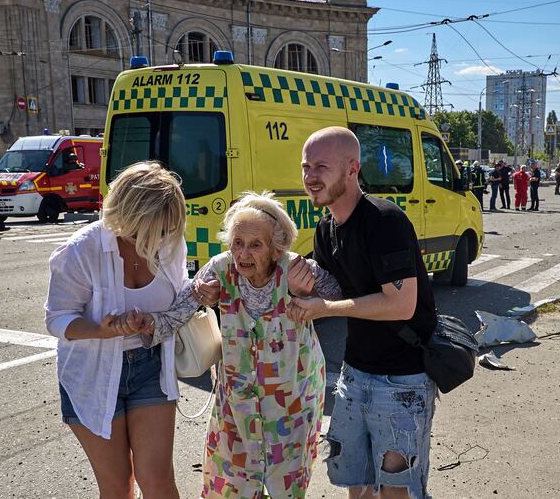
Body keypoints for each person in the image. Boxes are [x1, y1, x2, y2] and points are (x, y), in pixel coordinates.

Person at [132, 191, 340, 499]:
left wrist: (307, 295)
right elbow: (179, 311)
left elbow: (339, 297)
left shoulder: (294, 268)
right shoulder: (220, 269)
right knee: (231, 483)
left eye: (256, 244)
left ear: (275, 248)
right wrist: (149, 324)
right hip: (237, 404)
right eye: (237, 242)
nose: (243, 253)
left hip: (293, 403)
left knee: (287, 485)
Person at [44, 161, 215, 499]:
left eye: (165, 232)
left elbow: (176, 294)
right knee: (118, 487)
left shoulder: (169, 241)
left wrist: (196, 293)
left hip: (151, 366)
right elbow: (58, 318)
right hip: (92, 375)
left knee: (158, 481)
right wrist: (100, 330)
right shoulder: (81, 250)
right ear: (125, 215)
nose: (156, 242)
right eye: (144, 232)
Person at [290, 127, 438, 499]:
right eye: (306, 167)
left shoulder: (384, 222)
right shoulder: (326, 228)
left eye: (321, 167)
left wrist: (323, 308)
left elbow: (401, 304)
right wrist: (300, 284)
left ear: (352, 169)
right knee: (356, 481)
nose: (310, 177)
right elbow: (337, 289)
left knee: (396, 489)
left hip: (403, 379)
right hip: (354, 372)